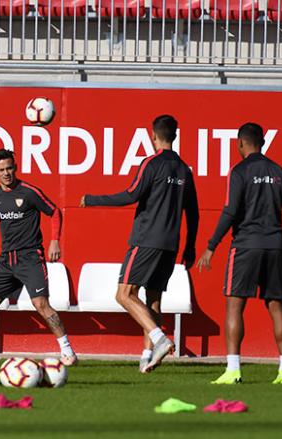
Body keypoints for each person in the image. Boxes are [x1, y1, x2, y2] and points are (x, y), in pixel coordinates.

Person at [81, 115, 199, 373]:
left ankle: (159, 340)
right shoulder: (183, 169)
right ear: (176, 136)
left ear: (152, 135)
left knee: (124, 294)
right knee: (153, 301)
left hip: (146, 240)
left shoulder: (151, 163)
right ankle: (147, 356)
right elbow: (193, 212)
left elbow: (131, 194)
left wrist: (93, 200)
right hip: (171, 244)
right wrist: (190, 247)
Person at [197, 122, 282, 385]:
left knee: (234, 305)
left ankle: (233, 370)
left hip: (245, 245)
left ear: (240, 143)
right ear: (263, 142)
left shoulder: (239, 171)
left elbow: (230, 212)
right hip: (274, 245)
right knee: (276, 306)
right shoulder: (279, 171)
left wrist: (211, 246)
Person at [0, 149, 77, 366]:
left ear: (15, 168)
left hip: (30, 257)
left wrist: (55, 241)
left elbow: (54, 212)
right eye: (1, 170)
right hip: (6, 260)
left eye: (9, 168)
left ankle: (68, 352)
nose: (6, 173)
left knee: (41, 304)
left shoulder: (29, 192)